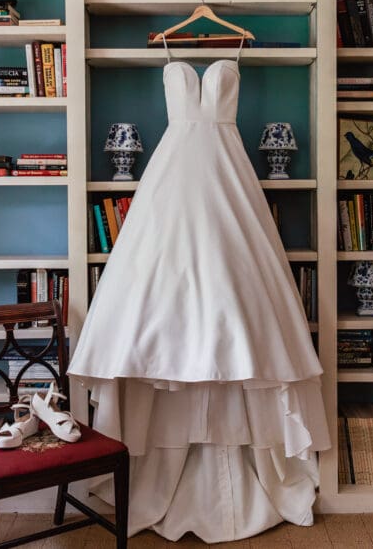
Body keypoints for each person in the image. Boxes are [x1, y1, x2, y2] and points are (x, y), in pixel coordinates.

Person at [69, 39, 329, 543]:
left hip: (230, 175)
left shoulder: (236, 47)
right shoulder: (168, 48)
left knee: (241, 306)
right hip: (173, 178)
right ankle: (151, 472)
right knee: (162, 301)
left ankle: (253, 469)